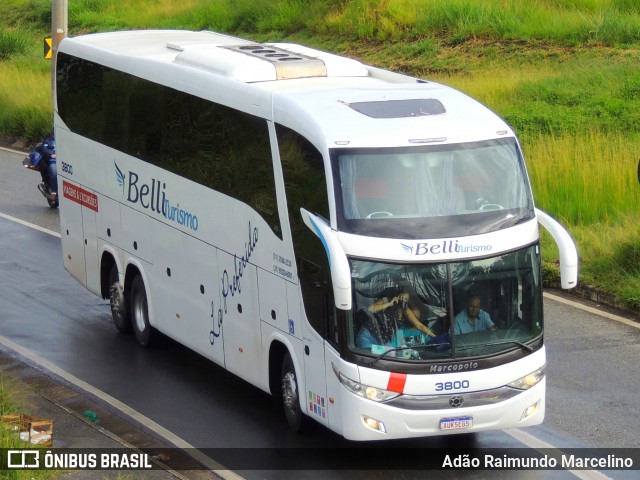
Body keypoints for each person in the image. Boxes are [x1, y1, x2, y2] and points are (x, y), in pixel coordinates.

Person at [355, 290, 436, 350]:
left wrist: (437, 338)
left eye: (406, 298)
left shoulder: (406, 310)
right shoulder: (388, 300)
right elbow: (370, 309)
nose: (403, 298)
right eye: (402, 296)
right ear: (398, 293)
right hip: (368, 335)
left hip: (382, 343)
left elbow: (419, 325)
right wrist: (389, 304)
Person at [35, 133, 57, 200]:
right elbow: (44, 149)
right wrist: (51, 155)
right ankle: (54, 192)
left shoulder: (66, 141)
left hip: (65, 163)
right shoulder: (49, 141)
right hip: (53, 162)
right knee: (54, 170)